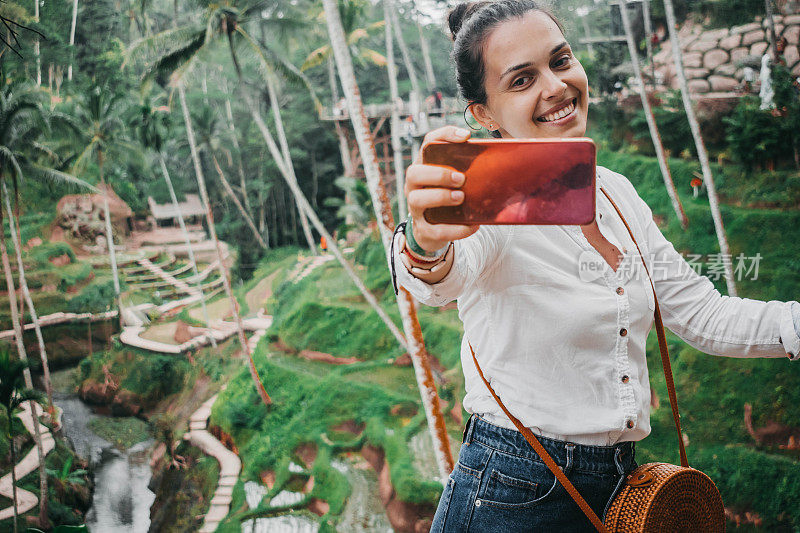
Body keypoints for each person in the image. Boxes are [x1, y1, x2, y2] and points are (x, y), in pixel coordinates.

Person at [391, 1, 800, 531]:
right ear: (483, 115)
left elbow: (703, 315)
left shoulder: (618, 193)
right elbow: (440, 276)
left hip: (622, 487)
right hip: (513, 491)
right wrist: (424, 241)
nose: (555, 86)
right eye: (521, 80)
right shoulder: (487, 207)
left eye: (560, 61)